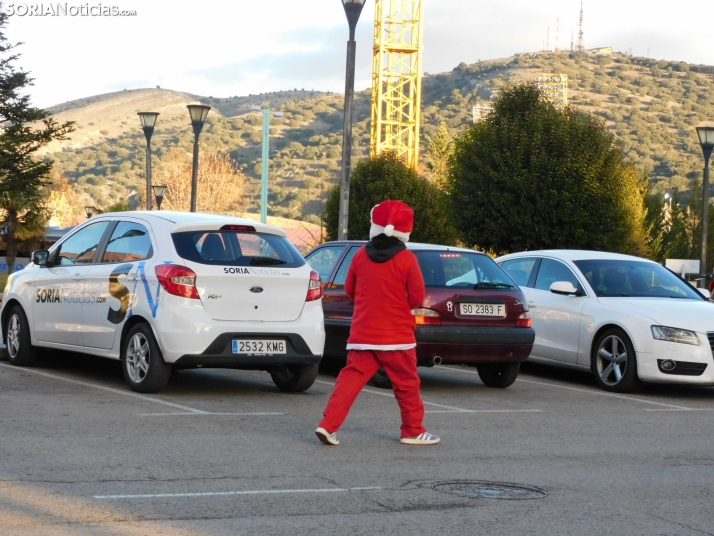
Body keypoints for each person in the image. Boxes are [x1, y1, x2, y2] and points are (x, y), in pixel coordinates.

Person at [315, 200, 440, 446]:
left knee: (349, 381)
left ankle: (328, 425)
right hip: (397, 337)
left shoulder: (360, 255)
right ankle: (412, 430)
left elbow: (350, 288)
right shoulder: (407, 259)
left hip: (363, 333)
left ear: (375, 226)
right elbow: (415, 297)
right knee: (407, 385)